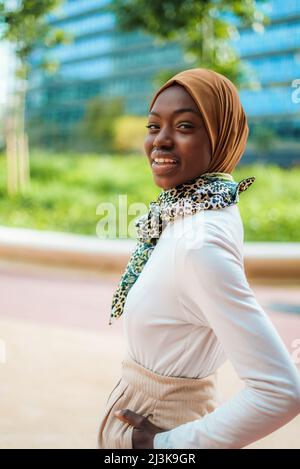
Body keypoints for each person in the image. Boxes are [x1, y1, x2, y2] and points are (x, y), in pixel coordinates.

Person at [97, 67, 300, 449]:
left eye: (185, 126)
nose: (161, 141)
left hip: (163, 429)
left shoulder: (199, 241)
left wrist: (163, 446)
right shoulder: (196, 208)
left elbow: (281, 391)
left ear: (221, 135)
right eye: (153, 126)